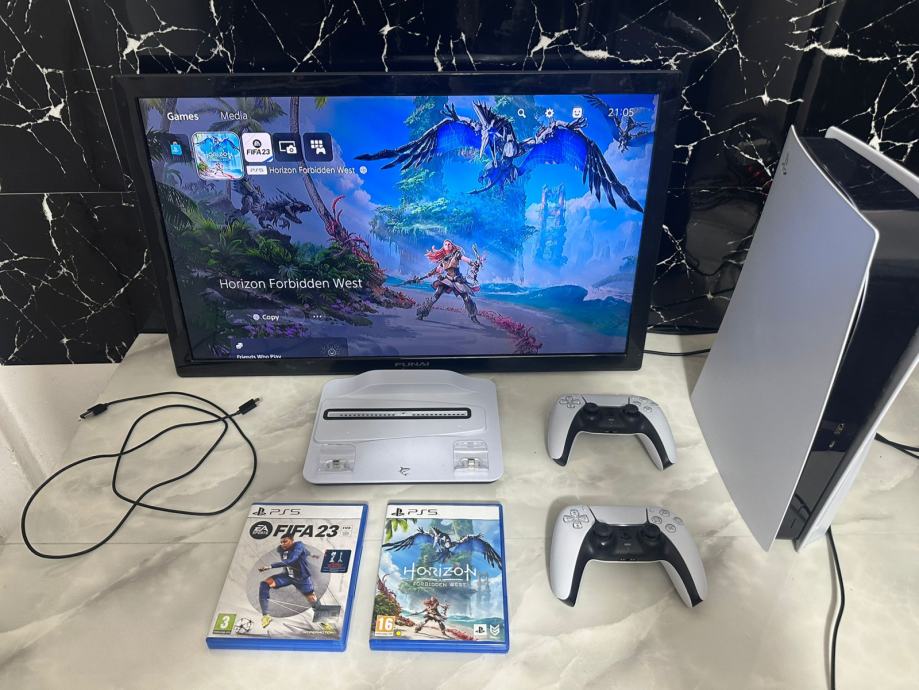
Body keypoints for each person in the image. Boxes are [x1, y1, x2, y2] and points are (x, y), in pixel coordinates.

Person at [257, 534, 322, 628]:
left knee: (312, 598)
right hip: (288, 576)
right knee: (264, 584)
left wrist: (270, 566)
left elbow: (291, 560)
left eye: (285, 541)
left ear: (292, 540)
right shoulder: (280, 549)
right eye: (281, 542)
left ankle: (324, 620)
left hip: (301, 578)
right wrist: (312, 554)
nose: (282, 544)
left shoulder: (298, 546)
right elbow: (305, 552)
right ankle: (265, 616)